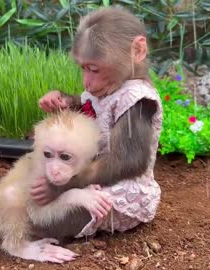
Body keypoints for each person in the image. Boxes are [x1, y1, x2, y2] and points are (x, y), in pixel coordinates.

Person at [31, 6, 163, 239]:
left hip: (121, 186)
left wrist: (62, 186)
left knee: (47, 223)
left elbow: (126, 162)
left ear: (137, 50)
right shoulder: (106, 85)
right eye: (83, 68)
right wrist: (66, 103)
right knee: (37, 197)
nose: (87, 82)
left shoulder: (137, 99)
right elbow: (91, 115)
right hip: (94, 176)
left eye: (93, 69)